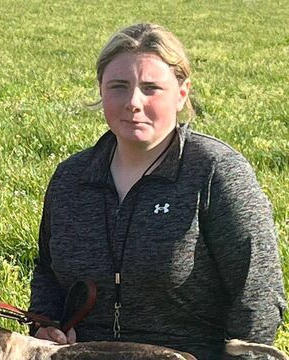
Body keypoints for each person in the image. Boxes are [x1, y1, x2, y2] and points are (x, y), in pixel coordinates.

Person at [29, 23, 286, 359]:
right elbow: (47, 271)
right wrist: (45, 323)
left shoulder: (215, 172)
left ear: (182, 93)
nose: (133, 102)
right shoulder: (71, 178)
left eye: (151, 88)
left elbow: (258, 294)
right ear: (101, 90)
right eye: (119, 87)